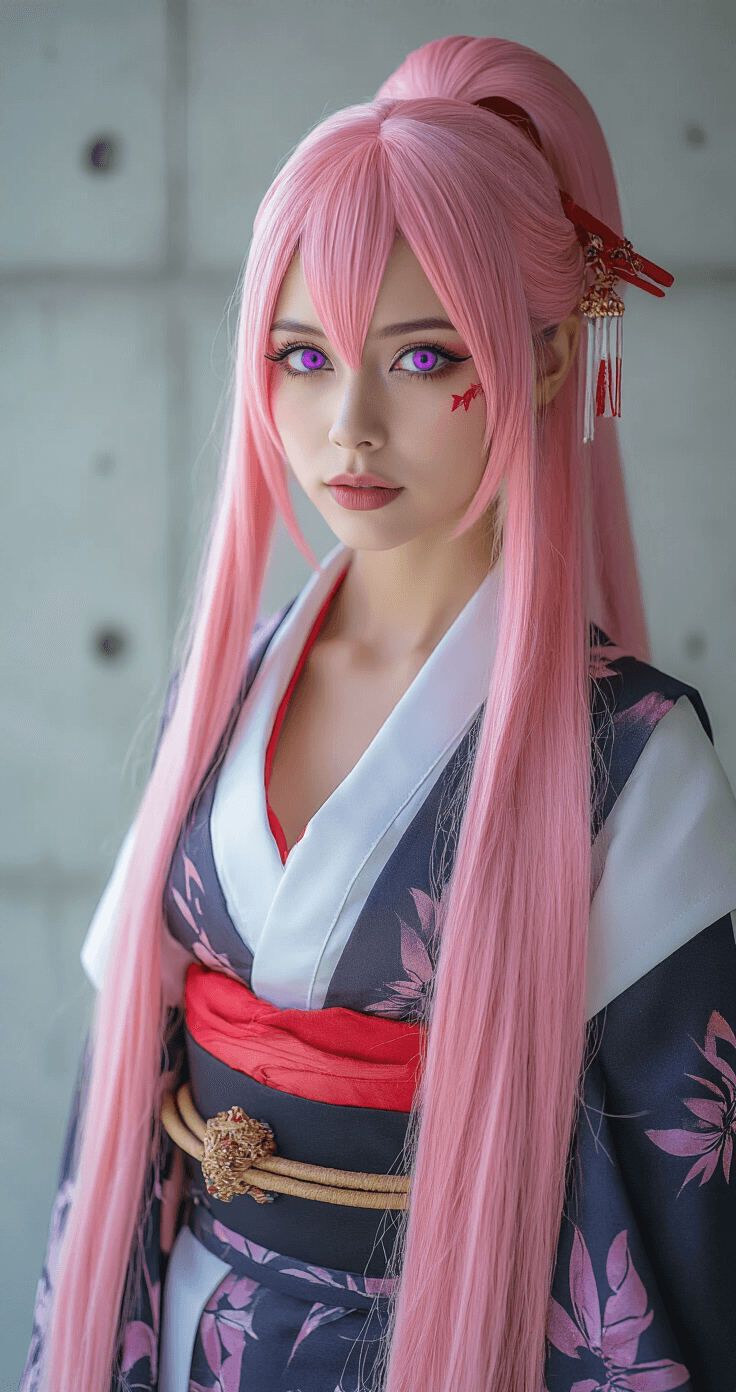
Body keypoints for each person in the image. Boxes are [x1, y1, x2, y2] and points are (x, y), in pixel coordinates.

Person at [22, 33, 736, 1392]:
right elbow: (113, 1101)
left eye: (418, 362)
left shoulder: (637, 768)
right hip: (188, 1329)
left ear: (542, 361)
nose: (345, 426)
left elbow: (687, 1235)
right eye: (301, 356)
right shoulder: (221, 702)